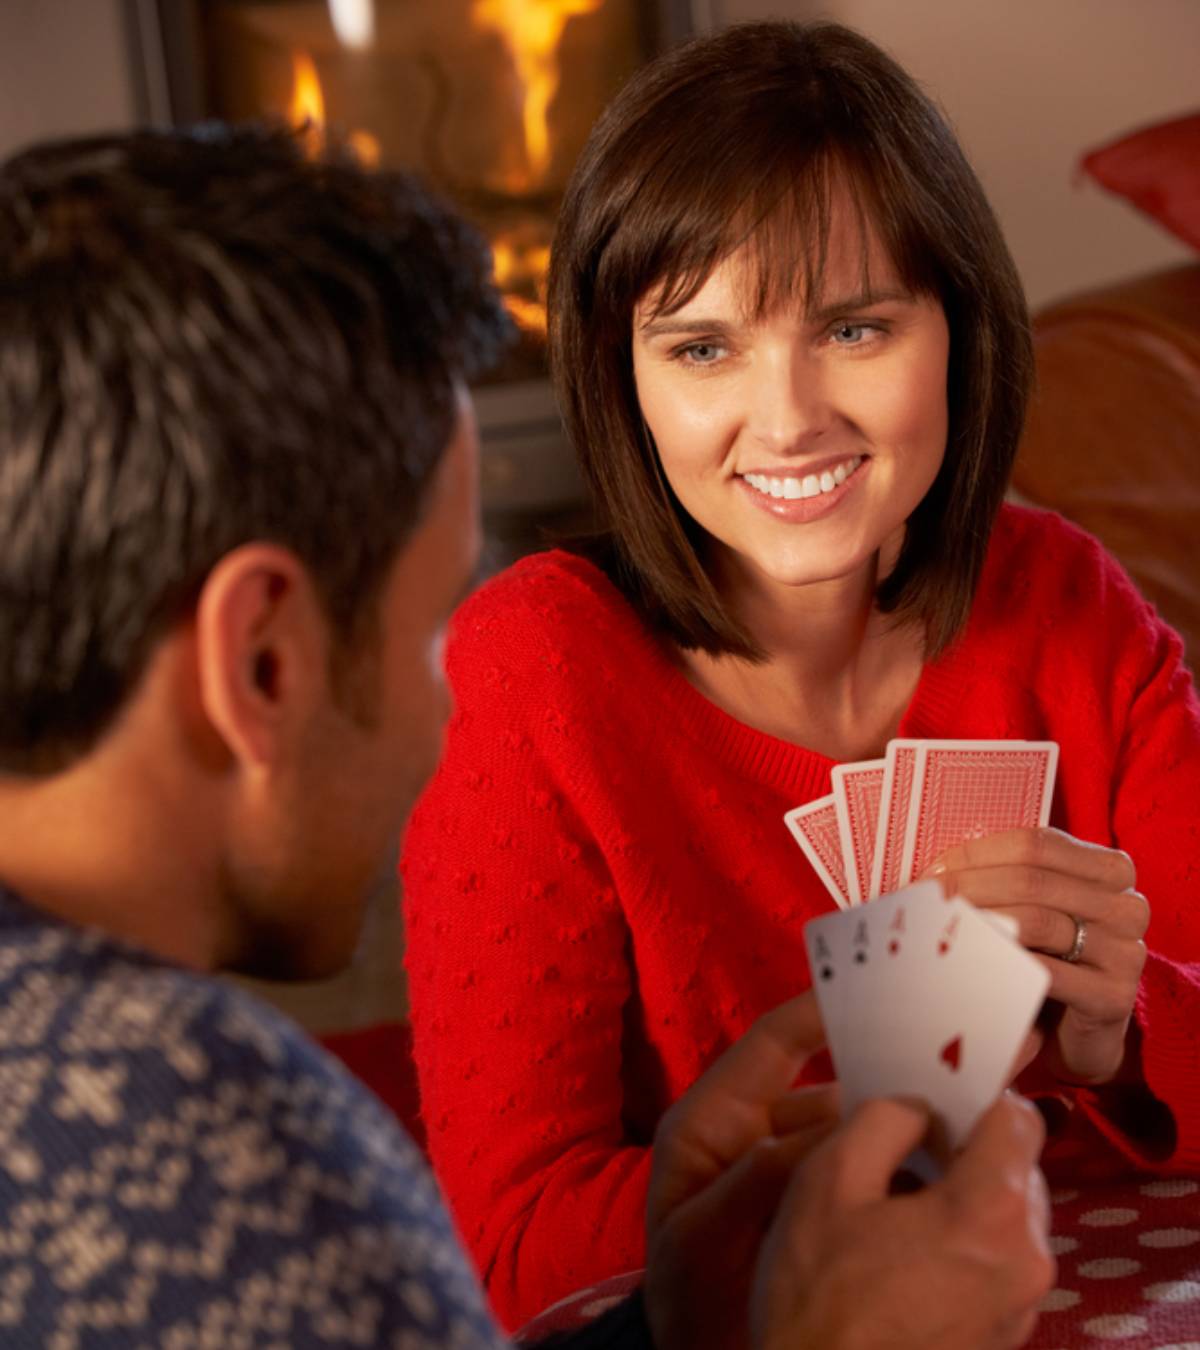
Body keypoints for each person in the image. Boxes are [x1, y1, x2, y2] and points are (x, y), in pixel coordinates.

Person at [0, 125, 1054, 1349]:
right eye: (430, 623)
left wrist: (680, 1314)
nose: (447, 704)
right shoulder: (221, 1163)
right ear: (262, 661)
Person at [400, 16, 1200, 1333]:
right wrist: (856, 1170)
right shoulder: (530, 670)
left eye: (853, 328)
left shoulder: (1071, 605)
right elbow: (514, 1247)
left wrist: (1124, 1037)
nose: (786, 419)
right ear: (624, 376)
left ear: (959, 328)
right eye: (703, 346)